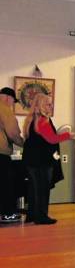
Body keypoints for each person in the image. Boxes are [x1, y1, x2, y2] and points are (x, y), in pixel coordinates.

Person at [22, 93, 74, 225]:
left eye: (51, 104)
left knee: (34, 189)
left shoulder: (30, 120)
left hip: (31, 160)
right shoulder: (43, 120)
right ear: (40, 105)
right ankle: (41, 217)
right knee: (42, 189)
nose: (51, 106)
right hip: (42, 161)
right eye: (48, 104)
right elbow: (51, 139)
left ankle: (32, 215)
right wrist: (68, 135)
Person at [0, 87, 24, 223]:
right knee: (6, 185)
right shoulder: (4, 109)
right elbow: (13, 133)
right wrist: (26, 144)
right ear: (8, 98)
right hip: (1, 153)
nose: (12, 104)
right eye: (13, 101)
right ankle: (7, 214)